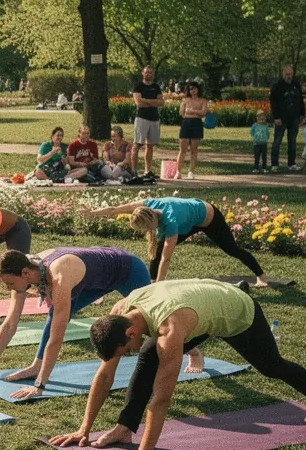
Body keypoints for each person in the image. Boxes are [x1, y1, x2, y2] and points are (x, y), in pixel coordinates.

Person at [49, 279, 306, 450]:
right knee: (148, 353)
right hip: (197, 307)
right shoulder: (119, 314)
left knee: (271, 367)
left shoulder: (169, 330)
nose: (128, 353)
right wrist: (84, 430)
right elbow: (105, 375)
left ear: (130, 333)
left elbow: (162, 398)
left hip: (235, 310)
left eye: (125, 350)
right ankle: (124, 428)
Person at [0, 247, 151, 399]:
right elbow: (9, 324)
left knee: (150, 322)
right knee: (54, 315)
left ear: (25, 273)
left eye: (10, 284)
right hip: (95, 279)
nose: (9, 288)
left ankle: (168, 364)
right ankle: (36, 366)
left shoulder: (59, 276)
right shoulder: (26, 269)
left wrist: (40, 386)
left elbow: (57, 337)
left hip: (128, 270)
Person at [81, 197, 266, 286]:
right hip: (188, 218)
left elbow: (166, 259)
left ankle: (261, 276)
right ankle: (151, 281)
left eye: (143, 229)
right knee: (157, 250)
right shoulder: (146, 206)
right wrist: (92, 213)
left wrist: (160, 286)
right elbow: (114, 209)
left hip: (209, 218)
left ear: (151, 223)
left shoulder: (170, 223)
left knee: (232, 249)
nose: (143, 233)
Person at [269, 64, 304, 172]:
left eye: (291, 74)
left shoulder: (296, 84)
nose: (289, 76)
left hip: (294, 118)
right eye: (287, 74)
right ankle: (275, 165)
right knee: (277, 141)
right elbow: (273, 103)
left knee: (292, 142)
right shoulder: (276, 86)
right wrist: (276, 117)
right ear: (283, 74)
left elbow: (300, 100)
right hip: (281, 119)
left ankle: (291, 164)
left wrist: (302, 115)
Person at [132, 66, 164, 175]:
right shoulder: (138, 86)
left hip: (154, 119)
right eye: (146, 72)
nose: (148, 74)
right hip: (142, 118)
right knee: (137, 144)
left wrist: (146, 100)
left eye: (150, 73)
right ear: (143, 73)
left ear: (153, 74)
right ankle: (134, 171)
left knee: (150, 146)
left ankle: (148, 171)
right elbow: (138, 103)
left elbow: (161, 102)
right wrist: (154, 102)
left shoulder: (156, 87)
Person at [175, 80, 209, 179]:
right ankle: (178, 172)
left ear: (198, 89)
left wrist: (192, 111)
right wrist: (195, 112)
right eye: (190, 89)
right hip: (186, 124)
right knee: (182, 150)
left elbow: (203, 112)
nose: (192, 91)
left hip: (197, 124)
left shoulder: (203, 100)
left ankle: (191, 172)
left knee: (194, 150)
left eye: (194, 89)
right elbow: (182, 113)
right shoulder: (185, 100)